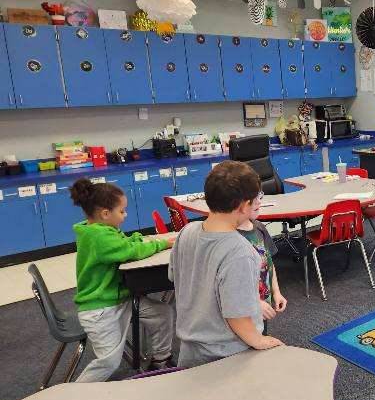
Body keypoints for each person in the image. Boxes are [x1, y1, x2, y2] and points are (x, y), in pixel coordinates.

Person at [169, 161, 282, 368]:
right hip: (227, 354)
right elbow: (237, 315)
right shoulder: (240, 252)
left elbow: (175, 277)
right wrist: (260, 340)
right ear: (243, 205)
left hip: (190, 349)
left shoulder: (187, 232)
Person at [69, 178, 174, 382]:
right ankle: (75, 393)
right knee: (109, 362)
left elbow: (123, 244)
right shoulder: (98, 236)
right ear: (105, 214)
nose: (125, 215)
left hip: (119, 299)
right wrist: (161, 244)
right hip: (100, 309)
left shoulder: (102, 229)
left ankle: (161, 361)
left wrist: (137, 239)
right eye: (122, 211)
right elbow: (128, 251)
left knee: (162, 314)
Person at [237, 205, 287, 333]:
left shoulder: (259, 227)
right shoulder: (232, 237)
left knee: (261, 335)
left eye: (260, 195)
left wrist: (276, 292)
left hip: (263, 303)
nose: (259, 202)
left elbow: (268, 262)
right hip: (243, 308)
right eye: (254, 198)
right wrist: (255, 302)